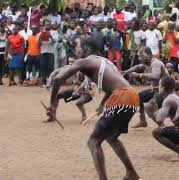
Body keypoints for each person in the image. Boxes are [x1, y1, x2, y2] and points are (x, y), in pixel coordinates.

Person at [45, 37, 141, 180]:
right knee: (110, 137)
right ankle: (131, 173)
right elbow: (112, 86)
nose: (75, 49)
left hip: (121, 97)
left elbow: (58, 79)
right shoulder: (106, 62)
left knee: (93, 142)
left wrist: (53, 104)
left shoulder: (84, 61)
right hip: (132, 96)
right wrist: (102, 104)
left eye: (77, 46)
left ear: (85, 49)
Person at [122, 47, 168, 128]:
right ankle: (143, 121)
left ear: (149, 55)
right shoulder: (147, 63)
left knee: (148, 107)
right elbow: (137, 67)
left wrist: (138, 75)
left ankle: (162, 126)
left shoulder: (155, 63)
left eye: (141, 56)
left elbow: (155, 76)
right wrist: (126, 72)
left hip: (165, 93)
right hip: (156, 90)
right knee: (138, 98)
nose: (139, 58)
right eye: (138, 56)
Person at [39, 20, 56, 86]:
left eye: (49, 24)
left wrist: (50, 36)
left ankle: (50, 82)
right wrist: (40, 38)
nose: (47, 26)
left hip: (51, 51)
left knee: (50, 67)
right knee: (43, 66)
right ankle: (43, 82)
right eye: (46, 24)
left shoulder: (54, 32)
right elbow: (39, 44)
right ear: (44, 25)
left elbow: (54, 42)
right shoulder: (40, 32)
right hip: (43, 51)